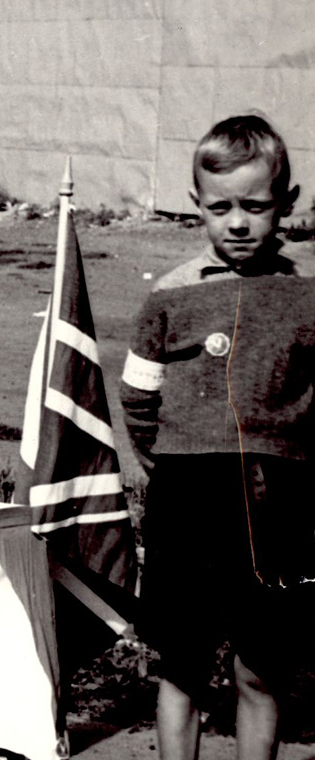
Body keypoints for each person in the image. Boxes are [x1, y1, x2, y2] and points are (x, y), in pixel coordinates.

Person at [120, 114, 315, 760]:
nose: (238, 223)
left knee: (262, 664)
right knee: (183, 664)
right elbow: (138, 396)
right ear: (195, 204)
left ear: (286, 203)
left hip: (275, 501)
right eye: (221, 206)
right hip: (187, 496)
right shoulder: (169, 298)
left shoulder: (306, 295)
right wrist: (168, 462)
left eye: (255, 207)